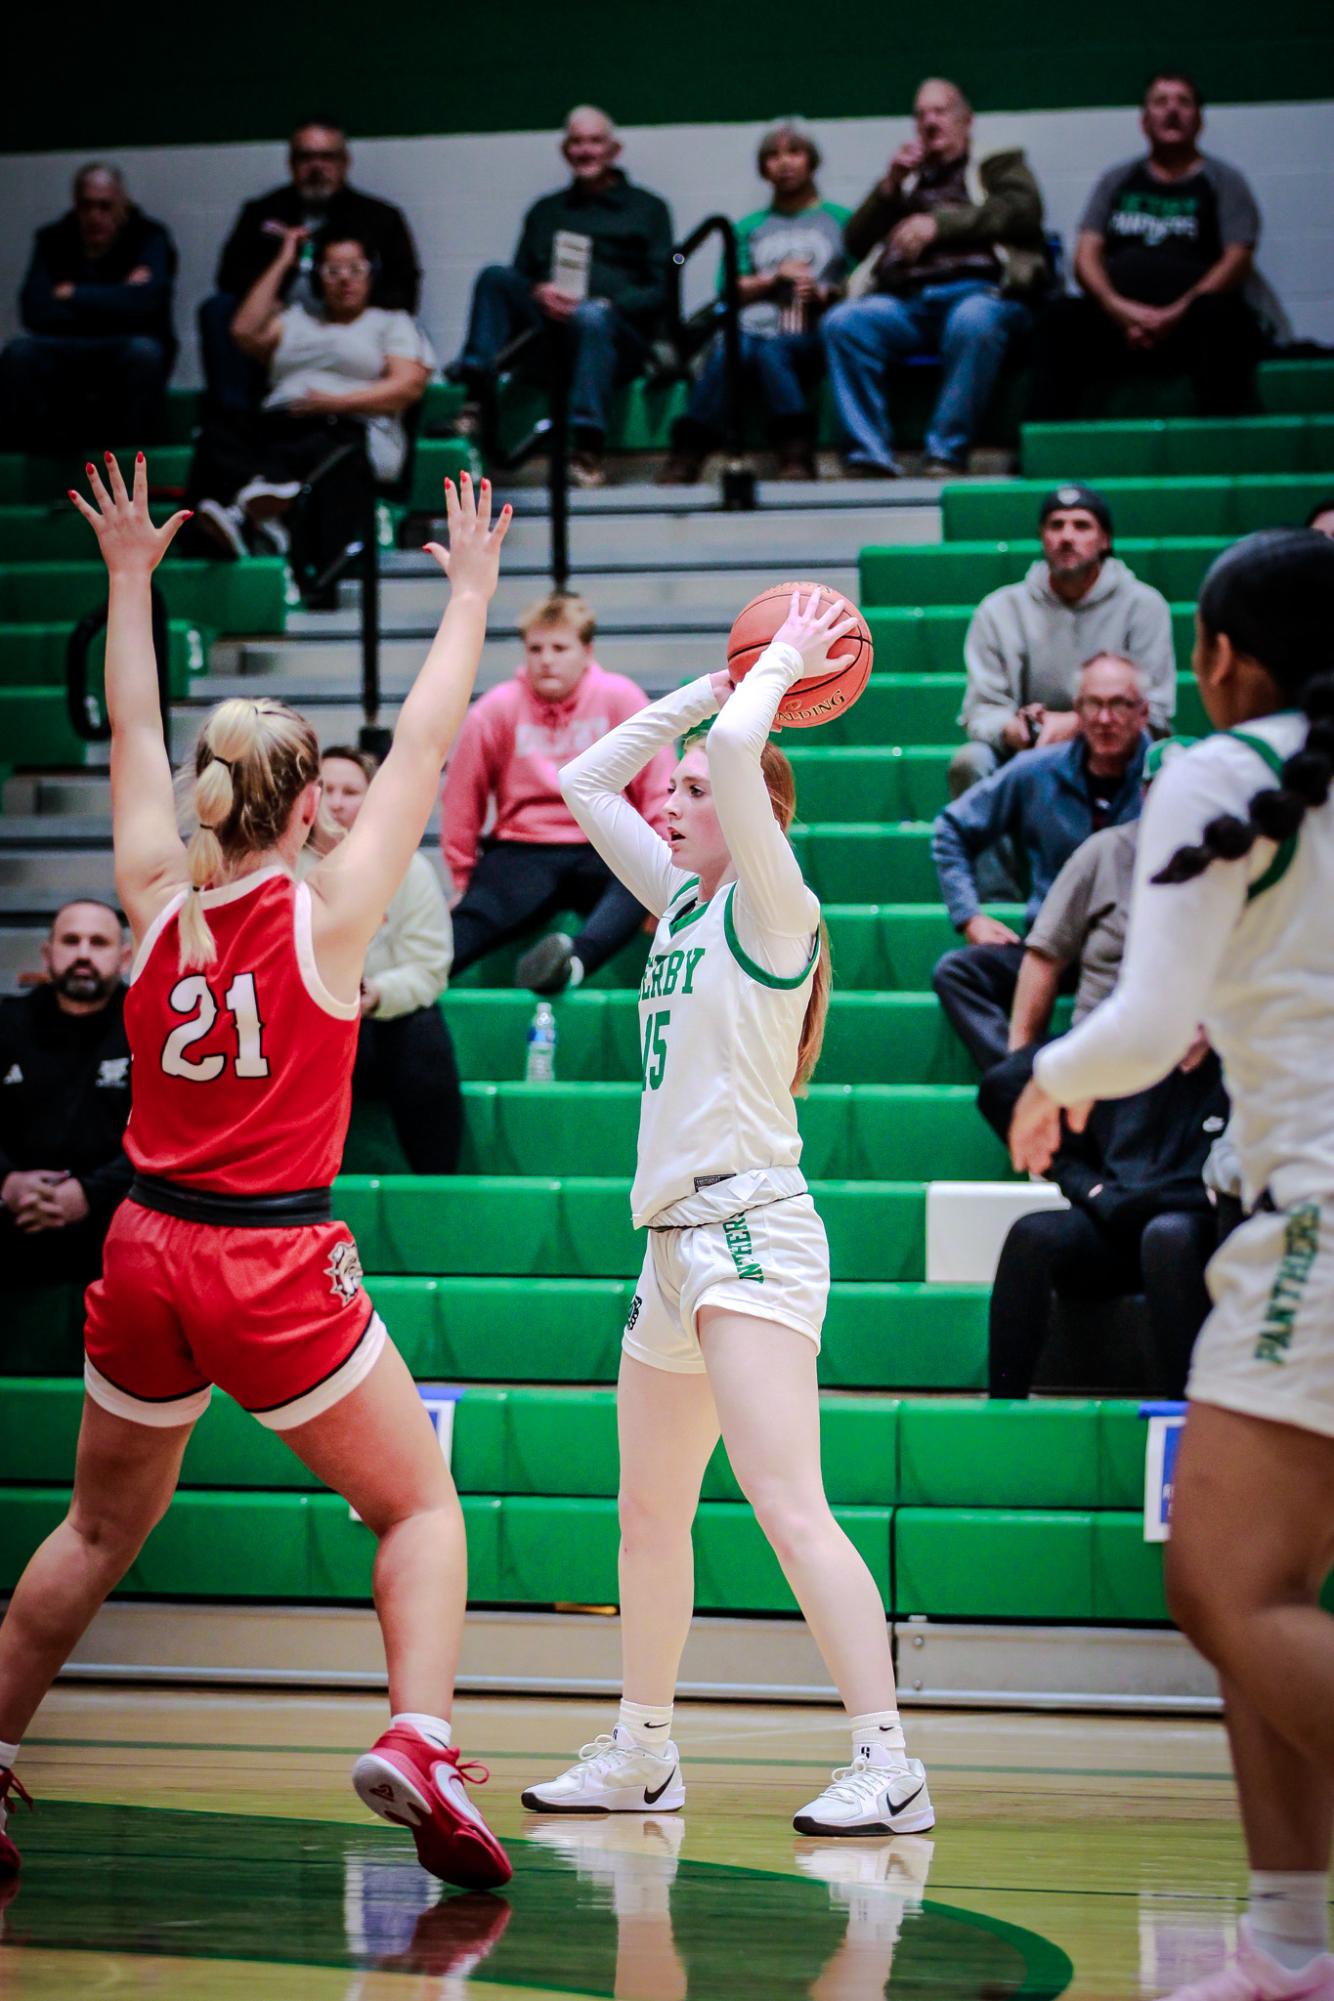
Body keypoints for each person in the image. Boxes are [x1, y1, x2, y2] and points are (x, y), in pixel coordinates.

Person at [0, 455, 512, 1893]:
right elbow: (421, 741)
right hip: (269, 1257)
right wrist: (468, 592)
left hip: (147, 1245)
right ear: (309, 813)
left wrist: (125, 579)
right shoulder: (334, 915)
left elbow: (136, 729)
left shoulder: (154, 894)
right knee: (417, 1508)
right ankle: (416, 1735)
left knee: (97, 1526)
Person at [520, 590, 934, 1838]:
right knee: (645, 1512)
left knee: (785, 1504)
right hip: (669, 1245)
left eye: (691, 791)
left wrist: (780, 671)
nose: (672, 798)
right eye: (681, 788)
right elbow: (588, 781)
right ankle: (644, 1750)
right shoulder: (680, 904)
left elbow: (749, 756)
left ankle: (888, 1760)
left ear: (749, 817)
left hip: (751, 1224)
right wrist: (704, 693)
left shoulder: (773, 905)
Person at [1009, 530, 1334, 2001]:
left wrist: (1039, 1073)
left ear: (1216, 655)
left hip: (1314, 1226)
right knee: (1263, 1583)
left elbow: (1143, 1031)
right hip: (1294, 1218)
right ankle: (1288, 1941)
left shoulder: (1224, 771)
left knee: (1217, 1590)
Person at [978, 750, 1227, 1399]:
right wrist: (1088, 1191)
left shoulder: (1234, 1060)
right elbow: (1004, 1087)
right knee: (1033, 1235)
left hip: (1193, 1229)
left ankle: (1178, 1417)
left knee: (1168, 1236)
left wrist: (1120, 1200)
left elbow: (1213, 1190)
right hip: (1114, 1218)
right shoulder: (1118, 1053)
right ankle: (1002, 1407)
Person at [441, 591, 673, 993]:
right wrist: (462, 879)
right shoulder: (496, 708)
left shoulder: (620, 698)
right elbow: (463, 797)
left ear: (587, 651)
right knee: (454, 943)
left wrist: (664, 877)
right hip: (524, 850)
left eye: (560, 648)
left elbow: (657, 788)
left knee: (641, 879)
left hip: (605, 844)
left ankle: (573, 963)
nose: (546, 659)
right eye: (535, 648)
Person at [932, 653, 1151, 1071]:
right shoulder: (1035, 772)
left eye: (1119, 704)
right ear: (1076, 710)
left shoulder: (1168, 777)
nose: (1105, 718)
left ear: (1143, 713)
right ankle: (1024, 1082)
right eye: (1092, 703)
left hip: (1132, 955)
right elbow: (951, 829)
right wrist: (969, 916)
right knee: (957, 972)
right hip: (1051, 948)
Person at [820, 79, 1048, 478]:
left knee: (974, 321)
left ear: (966, 120)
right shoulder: (908, 180)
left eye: (940, 111)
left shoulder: (998, 164)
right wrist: (888, 187)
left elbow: (1023, 210)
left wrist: (939, 226)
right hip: (909, 303)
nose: (929, 121)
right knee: (844, 323)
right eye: (921, 114)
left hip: (981, 292)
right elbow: (855, 241)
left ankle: (946, 454)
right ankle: (868, 456)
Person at [186, 229, 431, 594]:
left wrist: (333, 403)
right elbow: (241, 330)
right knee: (215, 437)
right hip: (281, 423)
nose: (344, 278)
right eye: (332, 270)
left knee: (320, 439)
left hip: (348, 429)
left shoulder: (391, 323)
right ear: (316, 277)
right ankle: (256, 514)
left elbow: (407, 385)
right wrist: (286, 259)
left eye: (354, 268)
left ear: (371, 274)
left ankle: (252, 514)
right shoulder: (296, 319)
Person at [447, 106, 673, 488]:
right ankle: (476, 396)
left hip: (617, 340)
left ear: (614, 149)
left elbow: (659, 290)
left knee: (592, 317)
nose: (586, 150)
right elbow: (521, 278)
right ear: (565, 150)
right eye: (577, 142)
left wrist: (607, 305)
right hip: (549, 337)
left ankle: (586, 446)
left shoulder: (648, 209)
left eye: (595, 141)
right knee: (494, 277)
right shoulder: (546, 211)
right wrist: (539, 293)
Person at [1029, 73, 1264, 422]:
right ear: (1143, 121)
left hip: (1192, 325)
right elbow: (1087, 254)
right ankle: (1046, 450)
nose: (1172, 111)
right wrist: (1118, 309)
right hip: (1119, 324)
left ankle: (1223, 446)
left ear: (1199, 120)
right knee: (1058, 317)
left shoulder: (1224, 181)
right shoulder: (1117, 180)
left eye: (1184, 102)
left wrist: (1177, 312)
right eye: (1161, 102)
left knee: (1221, 316)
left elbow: (1238, 258)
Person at [952, 484, 1175, 798]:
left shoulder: (1144, 605)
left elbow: (1157, 712)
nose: (1067, 536)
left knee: (1165, 757)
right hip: (1027, 754)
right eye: (1056, 525)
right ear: (1042, 536)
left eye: (1082, 525)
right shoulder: (998, 609)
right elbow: (982, 711)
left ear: (1105, 540)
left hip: (1117, 748)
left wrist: (1079, 723)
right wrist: (1014, 729)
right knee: (971, 759)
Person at [658, 122, 849, 484]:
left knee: (771, 351)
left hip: (813, 332)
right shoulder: (749, 226)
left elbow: (862, 281)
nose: (784, 163)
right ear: (763, 168)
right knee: (736, 346)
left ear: (811, 161)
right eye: (773, 156)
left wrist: (825, 293)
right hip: (753, 330)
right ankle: (687, 454)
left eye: (794, 152)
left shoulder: (839, 220)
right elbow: (728, 288)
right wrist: (774, 278)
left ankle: (795, 456)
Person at [200, 119, 422, 415]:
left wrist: (349, 305)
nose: (316, 166)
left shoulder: (380, 217)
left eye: (326, 157)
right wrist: (274, 289)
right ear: (291, 163)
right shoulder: (262, 213)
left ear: (345, 162)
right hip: (281, 325)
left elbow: (405, 288)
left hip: (352, 322)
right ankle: (233, 417)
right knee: (218, 308)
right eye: (306, 157)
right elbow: (229, 278)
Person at [316, 747, 462, 1173]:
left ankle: (436, 1184)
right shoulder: (280, 868)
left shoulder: (407, 868)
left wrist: (377, 994)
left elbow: (429, 969)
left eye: (350, 791)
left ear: (371, 801)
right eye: (325, 789)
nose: (337, 802)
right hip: (308, 1029)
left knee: (423, 1027)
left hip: (377, 1026)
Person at [1, 901, 133, 1311]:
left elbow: (172, 1135)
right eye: (71, 941)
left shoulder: (150, 1026)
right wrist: (6, 1182)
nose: (83, 954)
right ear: (47, 953)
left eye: (98, 942)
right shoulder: (6, 1023)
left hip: (116, 1221)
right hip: (12, 1215)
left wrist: (89, 1193)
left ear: (124, 958)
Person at [0, 164, 176, 453]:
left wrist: (72, 293)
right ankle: (33, 461)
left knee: (144, 353)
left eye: (105, 207)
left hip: (122, 347)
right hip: (68, 348)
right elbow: (34, 311)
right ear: (75, 204)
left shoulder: (149, 236)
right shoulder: (53, 239)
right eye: (87, 206)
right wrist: (118, 295)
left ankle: (135, 462)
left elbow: (148, 304)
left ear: (123, 205)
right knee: (18, 353)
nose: (95, 217)